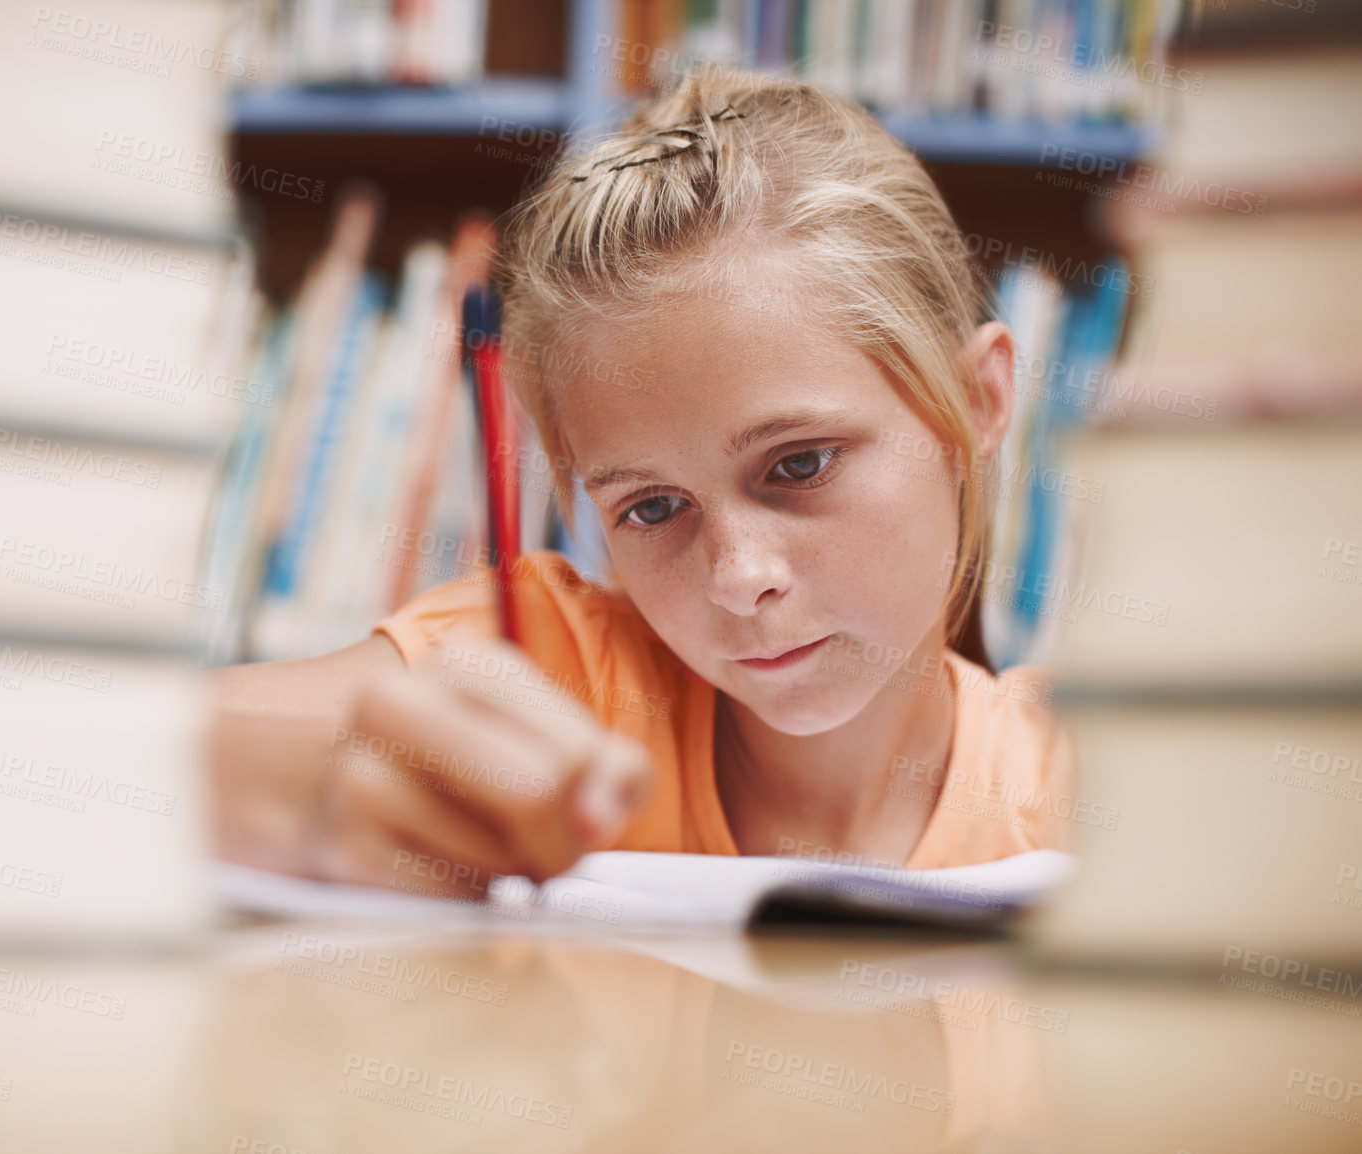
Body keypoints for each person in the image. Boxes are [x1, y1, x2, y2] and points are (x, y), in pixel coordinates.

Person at [208, 67, 1072, 900]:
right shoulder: (549, 670)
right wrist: (312, 795)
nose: (737, 578)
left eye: (799, 464)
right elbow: (107, 738)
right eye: (651, 508)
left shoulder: (1078, 780)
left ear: (979, 401)